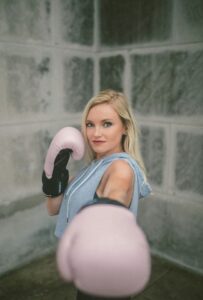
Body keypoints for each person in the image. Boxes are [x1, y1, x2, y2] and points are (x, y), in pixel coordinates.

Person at [44, 89, 151, 300]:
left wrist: (109, 208)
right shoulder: (91, 168)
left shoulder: (120, 168)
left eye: (107, 124)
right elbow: (53, 208)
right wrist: (54, 175)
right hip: (87, 268)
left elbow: (116, 192)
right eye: (90, 124)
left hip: (107, 271)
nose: (95, 133)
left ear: (125, 128)